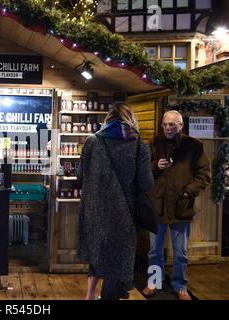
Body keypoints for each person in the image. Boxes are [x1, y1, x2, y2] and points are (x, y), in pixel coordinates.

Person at [77, 102, 154, 300]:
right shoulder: (139, 146)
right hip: (125, 215)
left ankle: (89, 296)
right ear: (131, 119)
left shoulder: (92, 141)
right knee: (119, 264)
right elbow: (146, 183)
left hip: (96, 213)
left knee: (98, 254)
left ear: (108, 119)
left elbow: (80, 177)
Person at [143, 110, 211, 301]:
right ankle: (154, 283)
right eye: (165, 124)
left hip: (182, 206)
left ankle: (180, 286)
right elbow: (143, 170)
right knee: (155, 251)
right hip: (158, 206)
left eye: (172, 124)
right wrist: (156, 166)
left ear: (181, 125)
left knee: (181, 252)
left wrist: (189, 191)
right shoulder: (155, 143)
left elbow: (204, 174)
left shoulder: (194, 146)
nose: (168, 128)